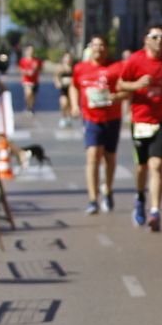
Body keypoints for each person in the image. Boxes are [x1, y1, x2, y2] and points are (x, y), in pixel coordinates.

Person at [116, 24, 162, 231]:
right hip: (141, 118)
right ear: (146, 39)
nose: (159, 41)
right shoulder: (135, 60)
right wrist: (137, 85)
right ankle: (139, 197)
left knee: (156, 165)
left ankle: (155, 211)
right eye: (154, 37)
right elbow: (120, 84)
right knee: (141, 167)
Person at [70, 35, 124, 215]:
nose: (98, 49)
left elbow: (126, 88)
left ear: (106, 48)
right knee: (93, 156)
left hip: (112, 117)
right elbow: (73, 86)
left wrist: (118, 97)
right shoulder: (80, 68)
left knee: (109, 157)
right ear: (90, 48)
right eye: (95, 45)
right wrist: (74, 105)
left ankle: (107, 189)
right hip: (91, 118)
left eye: (102, 45)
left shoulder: (116, 67)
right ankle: (93, 199)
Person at [18, 45, 44, 117]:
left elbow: (41, 69)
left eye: (32, 50)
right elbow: (20, 69)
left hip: (35, 81)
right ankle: (27, 106)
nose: (31, 52)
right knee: (28, 94)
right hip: (26, 81)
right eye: (29, 50)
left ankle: (30, 108)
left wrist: (35, 71)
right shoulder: (23, 60)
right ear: (27, 51)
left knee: (33, 96)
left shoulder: (37, 60)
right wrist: (27, 72)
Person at [55, 51, 76, 126]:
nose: (68, 59)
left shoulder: (74, 68)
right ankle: (63, 117)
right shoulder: (60, 68)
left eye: (69, 58)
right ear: (63, 59)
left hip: (72, 90)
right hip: (63, 89)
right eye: (66, 58)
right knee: (64, 103)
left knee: (70, 105)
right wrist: (58, 83)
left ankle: (68, 118)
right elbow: (56, 77)